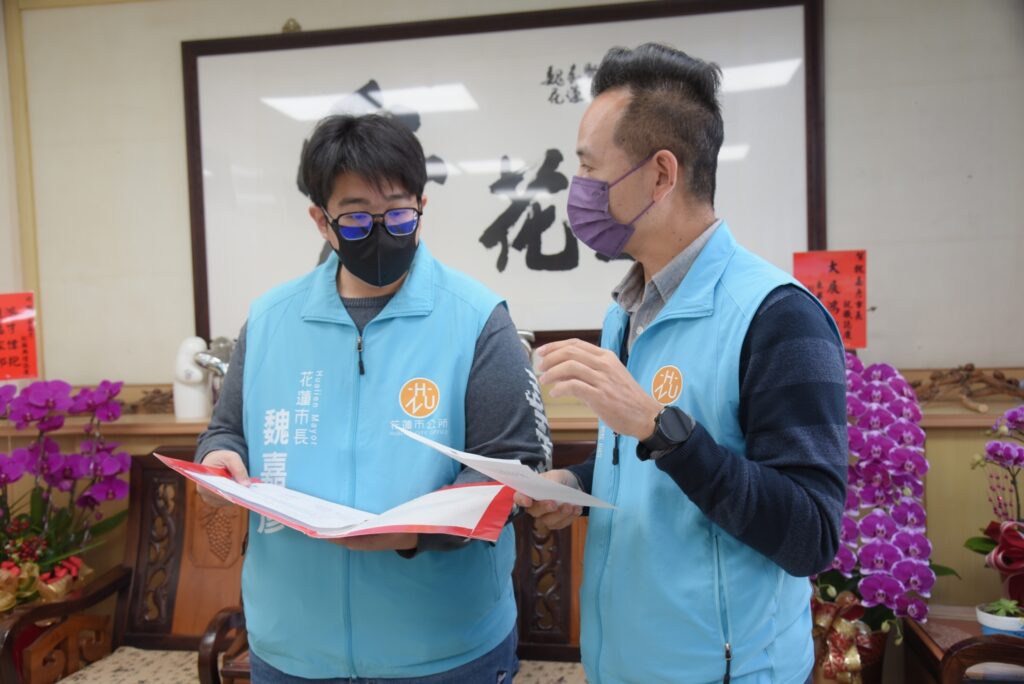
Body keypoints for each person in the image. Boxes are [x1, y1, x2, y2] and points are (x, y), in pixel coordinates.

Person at [514, 43, 848, 683]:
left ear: (661, 175)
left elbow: (809, 534)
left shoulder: (779, 316)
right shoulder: (626, 310)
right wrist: (577, 487)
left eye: (588, 168)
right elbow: (647, 468)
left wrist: (659, 427)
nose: (576, 188)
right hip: (624, 663)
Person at [196, 113, 551, 683]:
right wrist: (219, 458)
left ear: (422, 207)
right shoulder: (268, 320)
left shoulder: (477, 318)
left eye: (399, 213)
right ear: (322, 220)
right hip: (291, 646)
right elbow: (226, 430)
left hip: (444, 648)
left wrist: (415, 532)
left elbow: (516, 465)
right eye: (358, 216)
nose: (382, 230)